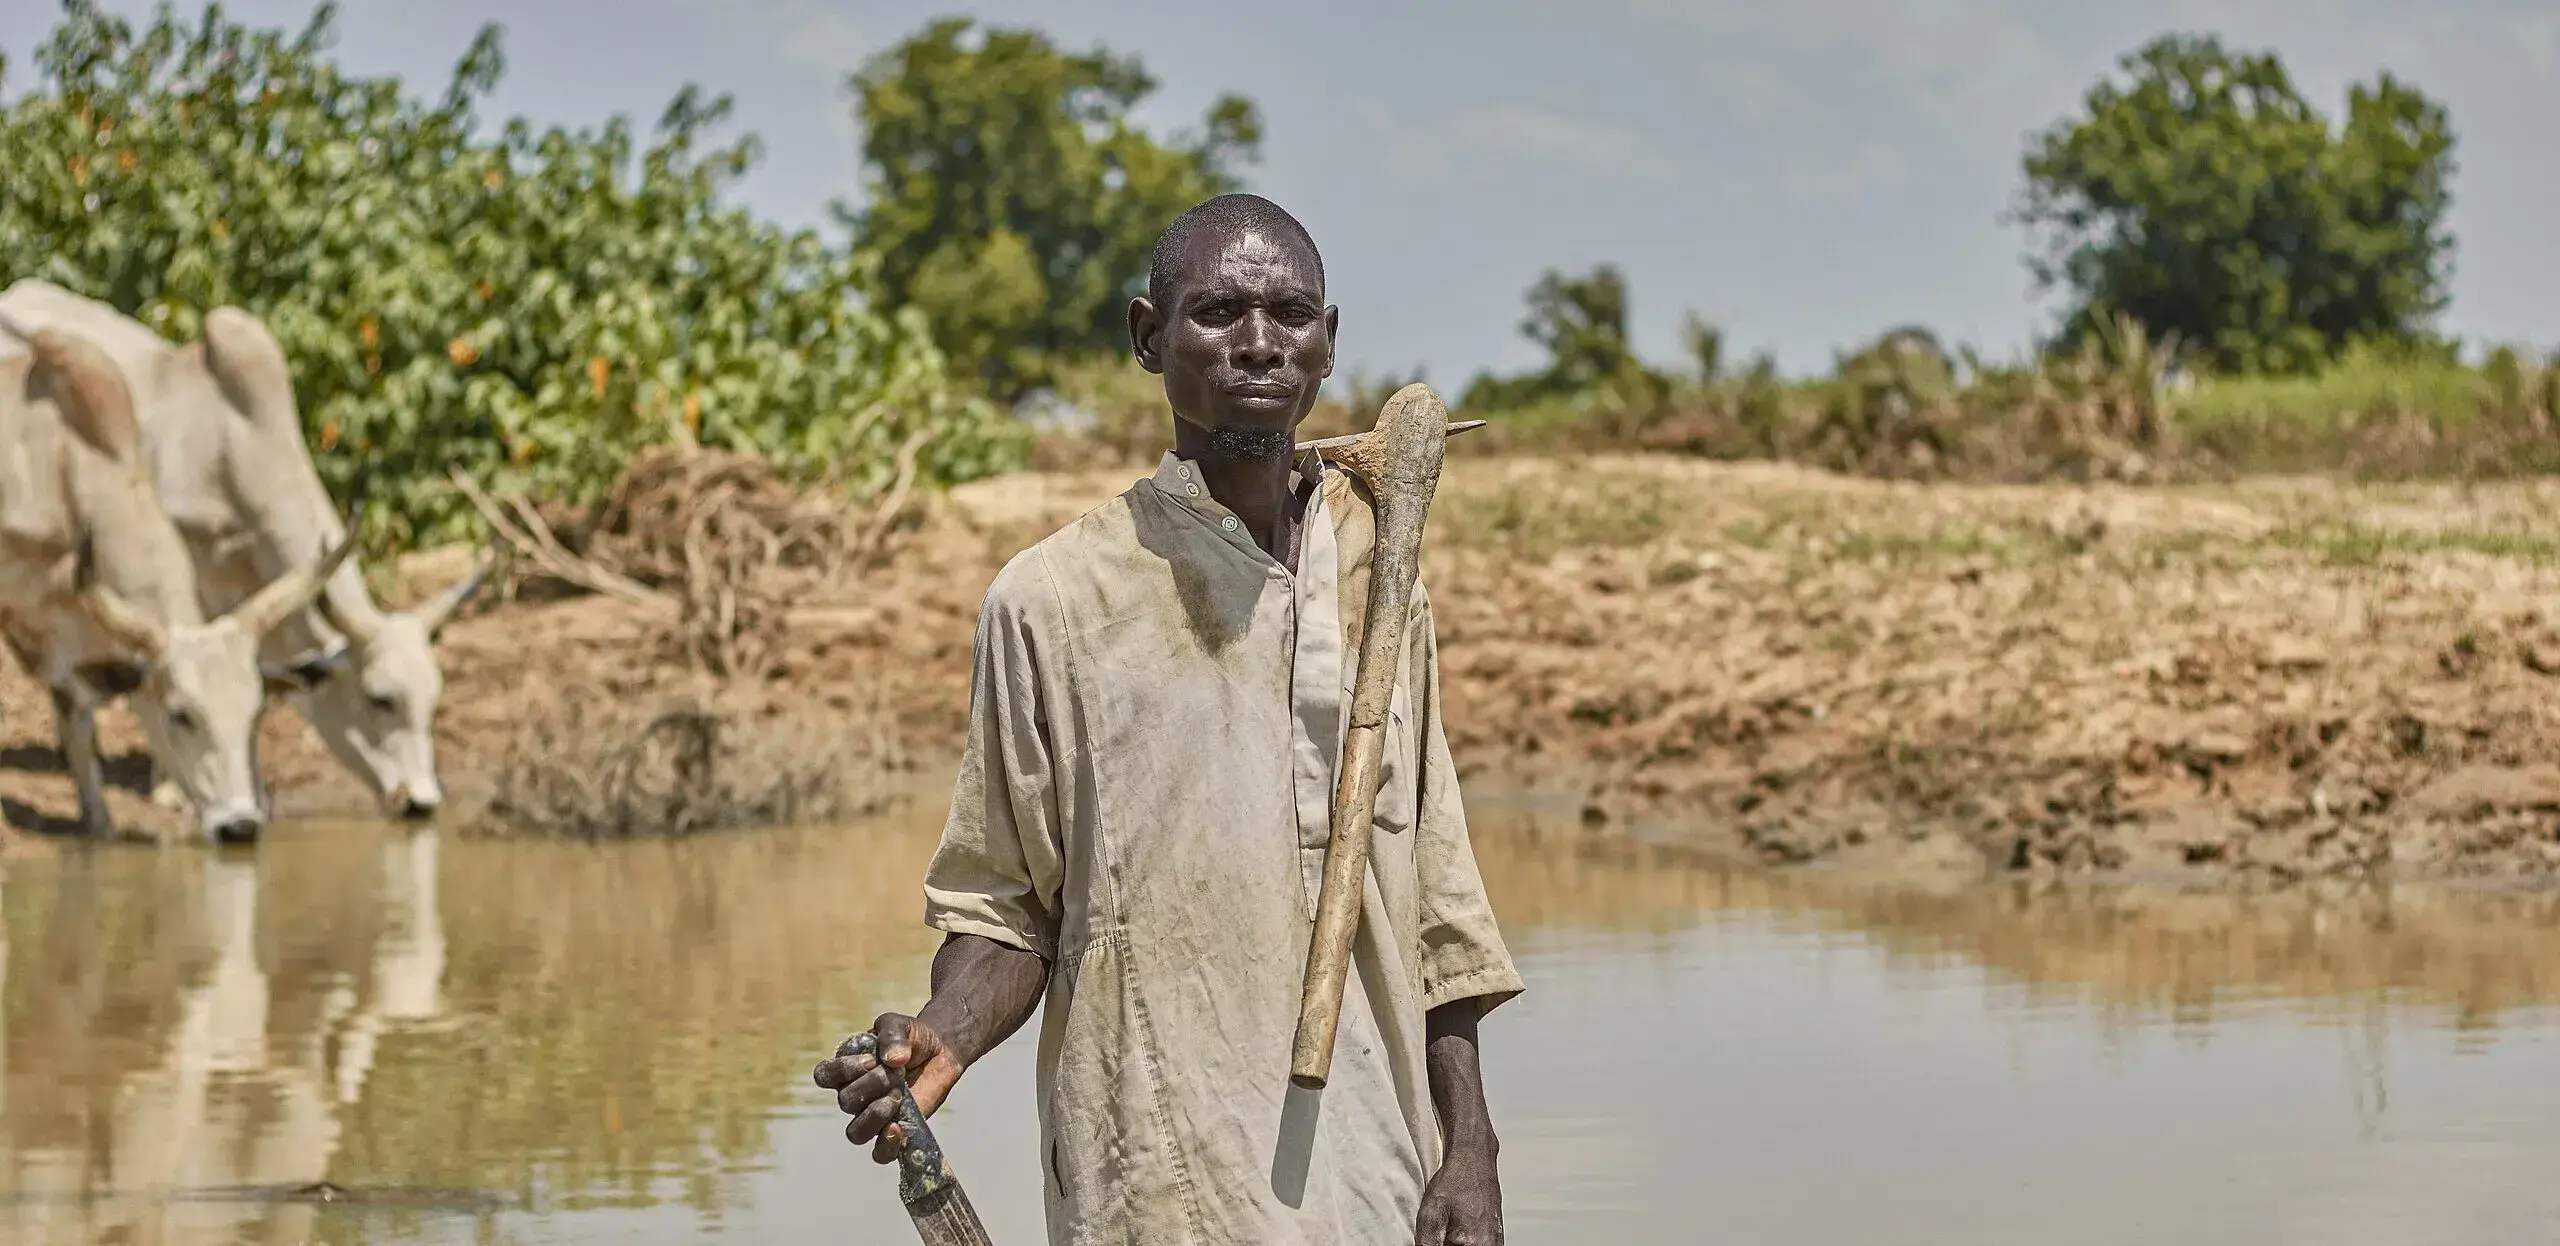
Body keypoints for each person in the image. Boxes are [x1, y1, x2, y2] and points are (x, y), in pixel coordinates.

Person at [814, 193, 1523, 1245]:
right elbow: (1007, 906)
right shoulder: (1052, 599)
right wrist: (941, 1036)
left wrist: (1470, 1145)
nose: (1256, 343)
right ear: (1149, 336)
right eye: (1216, 312)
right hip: (1154, 1173)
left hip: (1379, 1160)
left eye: (1289, 315)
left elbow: (1432, 888)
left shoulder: (1383, 575)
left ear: (1329, 346)